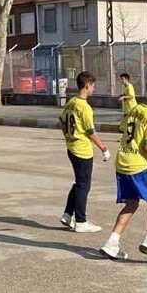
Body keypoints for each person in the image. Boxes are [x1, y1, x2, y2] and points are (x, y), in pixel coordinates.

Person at [101, 77, 147, 262]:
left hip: (122, 161)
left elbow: (123, 129)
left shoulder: (135, 109)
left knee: (131, 204)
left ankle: (111, 242)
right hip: (138, 164)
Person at [60, 72, 111, 232]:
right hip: (82, 150)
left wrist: (68, 138)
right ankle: (81, 221)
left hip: (71, 147)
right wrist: (103, 147)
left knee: (78, 183)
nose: (94, 89)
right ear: (87, 86)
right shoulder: (85, 107)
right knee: (84, 185)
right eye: (93, 86)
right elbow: (91, 132)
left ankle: (68, 214)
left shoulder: (71, 102)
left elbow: (62, 121)